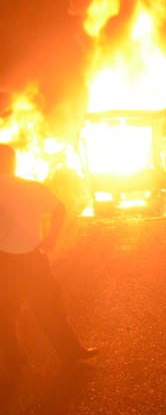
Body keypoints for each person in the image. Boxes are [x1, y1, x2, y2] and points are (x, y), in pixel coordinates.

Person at [0, 144, 96, 382]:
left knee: (4, 316)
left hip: (3, 262)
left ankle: (14, 363)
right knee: (50, 309)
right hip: (32, 259)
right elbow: (59, 208)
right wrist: (52, 237)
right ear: (14, 163)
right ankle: (71, 353)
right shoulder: (31, 187)